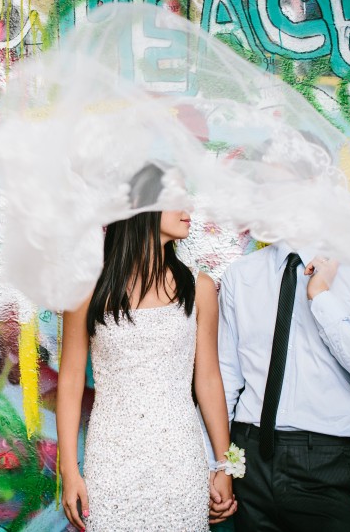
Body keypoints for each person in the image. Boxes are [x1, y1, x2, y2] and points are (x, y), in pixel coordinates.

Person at [57, 210, 238, 531]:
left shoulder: (200, 288)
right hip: (111, 462)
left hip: (180, 462)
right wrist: (70, 472)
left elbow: (209, 380)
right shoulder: (86, 288)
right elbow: (70, 381)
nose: (187, 210)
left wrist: (226, 466)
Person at [217, 241, 350, 531]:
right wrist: (219, 464)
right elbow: (226, 377)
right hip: (250, 459)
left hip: (326, 460)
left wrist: (321, 296)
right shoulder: (242, 274)